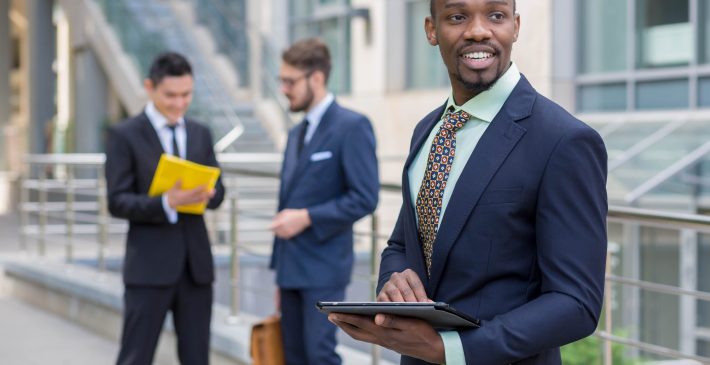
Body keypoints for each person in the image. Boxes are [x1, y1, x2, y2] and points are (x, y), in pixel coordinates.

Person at [329, 0, 608, 364]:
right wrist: (395, 279)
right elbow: (403, 243)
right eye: (458, 17)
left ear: (516, 26)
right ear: (432, 30)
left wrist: (451, 350)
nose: (478, 30)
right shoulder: (429, 130)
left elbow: (576, 303)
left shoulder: (563, 141)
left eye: (496, 15)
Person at [105, 52, 225, 365]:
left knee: (197, 357)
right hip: (148, 267)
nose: (179, 103)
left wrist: (208, 193)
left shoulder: (201, 132)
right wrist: (166, 202)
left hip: (195, 268)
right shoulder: (124, 135)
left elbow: (220, 192)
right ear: (150, 87)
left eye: (186, 94)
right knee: (135, 356)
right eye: (170, 95)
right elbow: (117, 201)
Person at [270, 38, 379, 365]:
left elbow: (365, 197)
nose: (284, 89)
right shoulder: (295, 134)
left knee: (320, 356)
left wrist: (307, 217)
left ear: (316, 78)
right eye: (282, 81)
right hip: (290, 270)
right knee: (293, 357)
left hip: (324, 268)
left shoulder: (352, 126)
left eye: (290, 81)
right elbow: (285, 200)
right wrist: (279, 276)